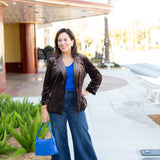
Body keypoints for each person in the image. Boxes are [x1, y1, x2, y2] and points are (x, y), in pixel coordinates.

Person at [41, 28, 102, 160]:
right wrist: (43, 108)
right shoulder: (53, 61)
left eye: (65, 40)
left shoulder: (82, 59)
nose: (62, 43)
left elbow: (97, 76)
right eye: (59, 40)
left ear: (72, 41)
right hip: (56, 105)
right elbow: (46, 86)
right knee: (59, 139)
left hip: (76, 103)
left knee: (82, 137)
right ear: (57, 44)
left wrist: (88, 90)